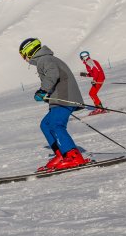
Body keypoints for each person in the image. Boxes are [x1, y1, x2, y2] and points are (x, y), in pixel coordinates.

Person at [19, 38, 91, 171]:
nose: (24, 59)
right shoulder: (45, 60)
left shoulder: (45, 59)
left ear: (29, 51)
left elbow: (53, 75)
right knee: (45, 124)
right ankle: (61, 154)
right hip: (59, 97)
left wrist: (43, 91)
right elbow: (55, 78)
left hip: (65, 97)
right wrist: (47, 95)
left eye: (23, 55)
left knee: (55, 125)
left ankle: (73, 156)